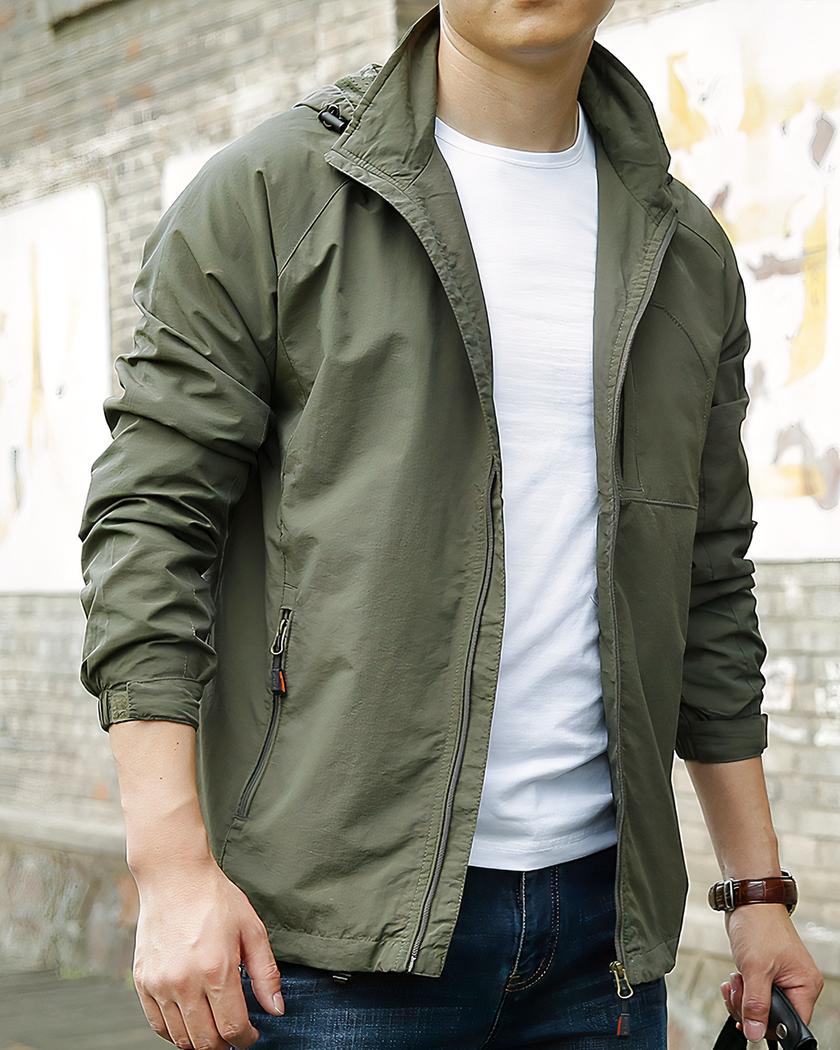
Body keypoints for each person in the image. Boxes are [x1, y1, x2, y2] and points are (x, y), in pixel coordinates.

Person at [78, 2, 824, 1048]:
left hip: (601, 947)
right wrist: (169, 866)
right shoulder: (275, 195)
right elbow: (149, 525)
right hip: (332, 946)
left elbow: (707, 580)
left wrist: (757, 893)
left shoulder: (686, 251)